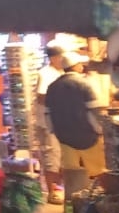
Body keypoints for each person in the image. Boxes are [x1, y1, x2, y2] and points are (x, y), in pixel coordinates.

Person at [45, 52, 107, 199]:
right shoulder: (85, 84)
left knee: (71, 173)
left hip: (65, 138)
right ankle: (99, 205)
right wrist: (100, 129)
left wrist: (54, 131)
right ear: (76, 66)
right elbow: (95, 110)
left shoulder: (53, 87)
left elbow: (48, 114)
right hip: (88, 136)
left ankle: (72, 206)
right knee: (100, 172)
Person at [33, 43, 66, 203]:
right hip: (47, 122)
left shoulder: (60, 72)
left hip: (57, 120)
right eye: (60, 56)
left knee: (58, 155)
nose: (62, 59)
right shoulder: (45, 73)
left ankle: (58, 188)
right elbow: (41, 96)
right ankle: (52, 190)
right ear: (53, 58)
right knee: (51, 155)